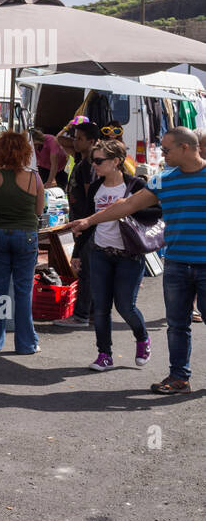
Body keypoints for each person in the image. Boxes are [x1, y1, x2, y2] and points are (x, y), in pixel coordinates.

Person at [69, 127, 203, 394]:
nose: (162, 155)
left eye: (166, 150)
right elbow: (126, 206)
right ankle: (179, 378)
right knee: (177, 325)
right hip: (176, 264)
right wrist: (88, 221)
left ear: (185, 148)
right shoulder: (163, 180)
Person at [78, 139, 159, 372]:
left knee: (125, 305)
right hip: (100, 252)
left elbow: (157, 210)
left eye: (99, 160)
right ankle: (104, 354)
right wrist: (77, 253)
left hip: (129, 254)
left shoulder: (136, 185)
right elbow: (88, 221)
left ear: (116, 161)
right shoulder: (95, 187)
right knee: (101, 307)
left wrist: (128, 207)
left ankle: (142, 338)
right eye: (93, 160)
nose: (94, 165)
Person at [0, 131, 45, 355]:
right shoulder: (34, 178)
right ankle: (26, 343)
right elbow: (39, 211)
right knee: (23, 290)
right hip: (26, 235)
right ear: (25, 152)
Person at [58, 121, 101, 327]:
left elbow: (89, 194)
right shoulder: (82, 160)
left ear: (92, 141)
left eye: (80, 138)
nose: (75, 142)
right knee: (86, 269)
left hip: (87, 223)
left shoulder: (88, 165)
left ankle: (82, 314)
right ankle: (90, 312)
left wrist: (85, 222)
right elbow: (60, 139)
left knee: (85, 270)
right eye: (74, 137)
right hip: (84, 222)